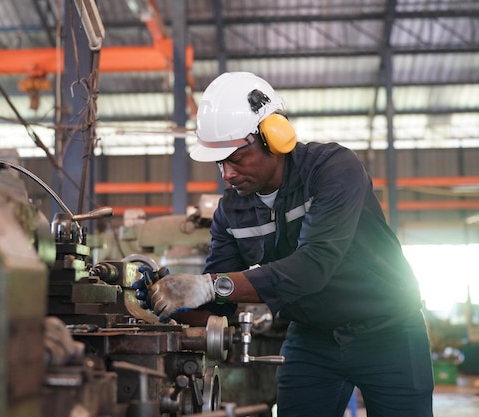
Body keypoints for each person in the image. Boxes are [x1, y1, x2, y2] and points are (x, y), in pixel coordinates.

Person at [146, 72, 434, 417]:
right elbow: (219, 306)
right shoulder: (231, 211)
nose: (227, 174)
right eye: (220, 163)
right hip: (313, 339)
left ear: (274, 137)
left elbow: (313, 267)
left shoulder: (333, 170)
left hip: (389, 331)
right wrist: (161, 296)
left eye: (236, 159)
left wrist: (210, 286)